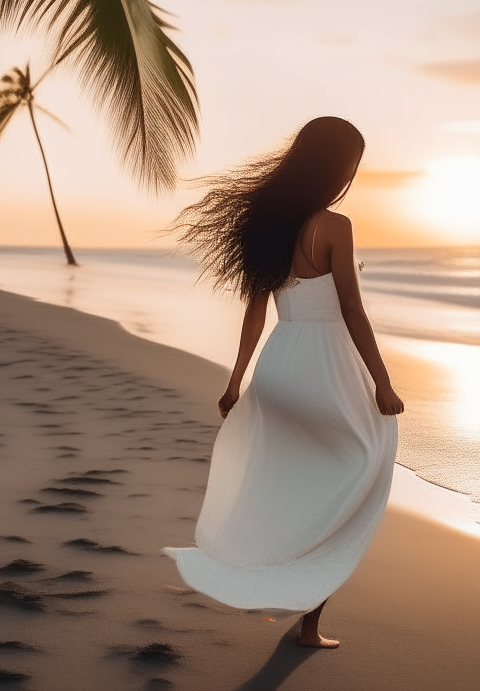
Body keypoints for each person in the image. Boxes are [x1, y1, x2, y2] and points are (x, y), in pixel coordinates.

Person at [164, 116, 404, 649]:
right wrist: (383, 384)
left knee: (296, 485)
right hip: (328, 366)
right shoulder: (333, 226)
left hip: (280, 362)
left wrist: (236, 382)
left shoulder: (267, 225)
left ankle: (279, 585)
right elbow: (351, 310)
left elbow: (255, 315)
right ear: (337, 166)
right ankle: (308, 623)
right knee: (349, 484)